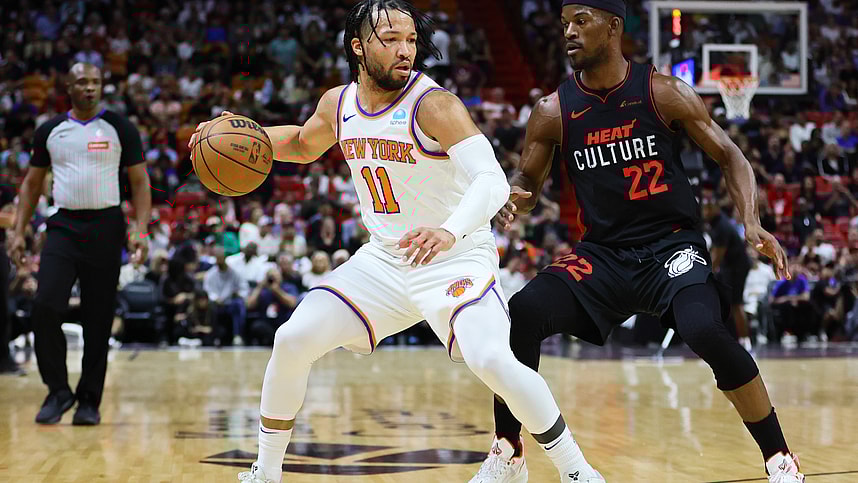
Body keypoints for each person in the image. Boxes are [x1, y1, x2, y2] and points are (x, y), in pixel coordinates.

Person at [190, 2, 600, 482]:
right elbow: (302, 143)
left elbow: (490, 180)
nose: (406, 50)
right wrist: (241, 133)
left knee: (492, 359)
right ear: (359, 47)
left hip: (455, 259)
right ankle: (267, 473)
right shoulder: (338, 104)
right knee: (292, 338)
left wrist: (449, 230)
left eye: (411, 40)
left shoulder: (435, 105)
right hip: (384, 262)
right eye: (391, 40)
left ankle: (577, 472)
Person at [475, 1, 804, 482]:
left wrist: (751, 222)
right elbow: (529, 179)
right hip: (603, 255)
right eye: (564, 23)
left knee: (704, 330)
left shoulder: (663, 93)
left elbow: (730, 156)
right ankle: (508, 450)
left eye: (580, 22)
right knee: (522, 312)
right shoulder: (553, 110)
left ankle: (779, 458)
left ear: (613, 27)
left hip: (671, 245)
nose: (568, 32)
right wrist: (512, 197)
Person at [10, 63, 150, 425]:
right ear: (68, 86)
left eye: (96, 81)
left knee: (98, 319)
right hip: (63, 225)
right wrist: (18, 231)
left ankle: (89, 399)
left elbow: (139, 183)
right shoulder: (50, 130)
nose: (90, 87)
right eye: (83, 82)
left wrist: (140, 229)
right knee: (44, 305)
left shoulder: (121, 127)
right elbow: (30, 184)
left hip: (106, 225)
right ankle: (58, 391)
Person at [703, 197, 753, 352]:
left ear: (715, 208)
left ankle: (745, 341)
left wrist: (705, 275)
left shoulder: (721, 226)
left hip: (737, 267)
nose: (704, 212)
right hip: (729, 267)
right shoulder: (716, 224)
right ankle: (729, 339)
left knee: (736, 304)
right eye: (704, 209)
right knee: (724, 303)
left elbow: (717, 256)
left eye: (708, 208)